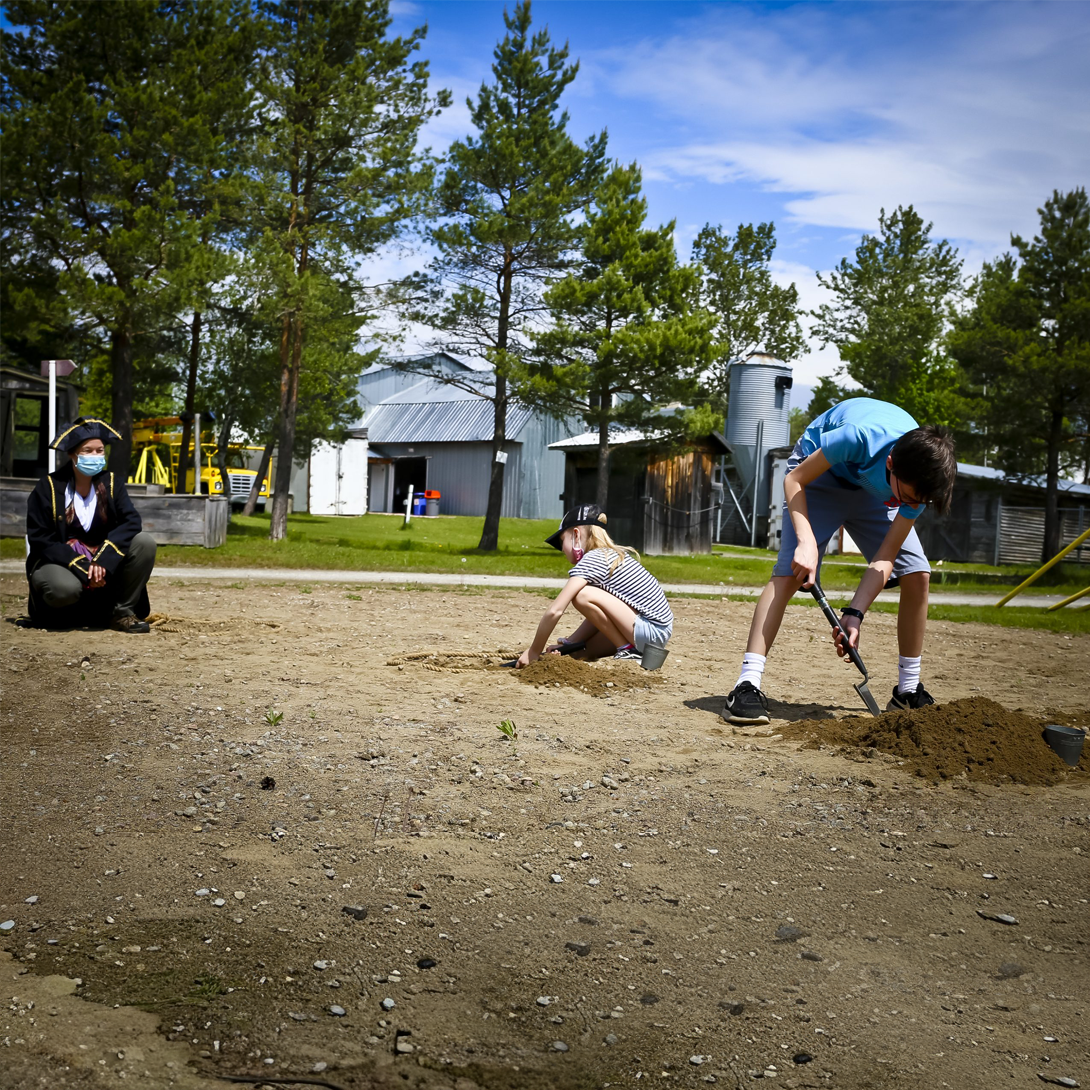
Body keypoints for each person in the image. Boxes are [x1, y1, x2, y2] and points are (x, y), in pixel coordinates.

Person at [724, 397, 957, 724]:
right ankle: (746, 684)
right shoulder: (857, 438)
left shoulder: (915, 484)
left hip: (873, 493)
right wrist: (806, 543)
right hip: (818, 477)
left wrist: (854, 614)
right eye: (908, 498)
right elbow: (794, 480)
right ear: (890, 462)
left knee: (918, 573)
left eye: (918, 501)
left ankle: (907, 690)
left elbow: (885, 557)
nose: (909, 504)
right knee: (788, 575)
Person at [25, 416, 157, 632]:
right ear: (72, 454)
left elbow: (131, 522)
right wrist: (81, 565)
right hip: (60, 561)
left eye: (100, 450)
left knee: (145, 543)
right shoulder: (47, 487)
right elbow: (41, 539)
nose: (95, 456)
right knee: (63, 589)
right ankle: (59, 615)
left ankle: (122, 613)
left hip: (103, 557)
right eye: (88, 451)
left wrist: (103, 561)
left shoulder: (113, 483)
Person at [516, 504, 673, 668]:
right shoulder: (606, 557)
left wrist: (534, 651)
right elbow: (602, 614)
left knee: (581, 595)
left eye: (562, 541)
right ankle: (629, 649)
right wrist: (570, 643)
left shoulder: (593, 559)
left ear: (576, 534)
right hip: (653, 636)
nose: (561, 548)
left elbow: (555, 610)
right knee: (578, 653)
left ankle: (627, 649)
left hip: (651, 631)